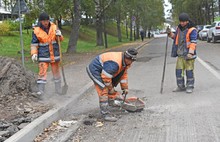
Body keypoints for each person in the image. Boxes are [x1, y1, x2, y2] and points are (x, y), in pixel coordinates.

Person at [86, 48, 138, 122]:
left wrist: (125, 87)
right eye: (131, 61)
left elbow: (123, 75)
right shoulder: (114, 63)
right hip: (95, 70)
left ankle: (110, 102)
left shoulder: (125, 62)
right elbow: (106, 79)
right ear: (128, 58)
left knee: (110, 85)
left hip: (104, 70)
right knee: (103, 89)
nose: (131, 63)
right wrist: (111, 90)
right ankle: (105, 114)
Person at [30, 12, 64, 96]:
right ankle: (40, 91)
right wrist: (34, 53)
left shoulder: (54, 27)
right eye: (44, 21)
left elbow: (59, 40)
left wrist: (59, 35)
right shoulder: (36, 30)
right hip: (43, 55)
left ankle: (58, 89)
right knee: (42, 72)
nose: (46, 22)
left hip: (55, 54)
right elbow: (34, 43)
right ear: (40, 21)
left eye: (47, 20)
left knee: (56, 72)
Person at [167, 12, 197, 93]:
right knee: (179, 72)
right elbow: (175, 37)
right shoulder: (178, 29)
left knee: (189, 71)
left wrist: (190, 53)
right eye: (181, 21)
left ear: (187, 21)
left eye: (184, 21)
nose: (182, 23)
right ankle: (180, 86)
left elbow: (193, 42)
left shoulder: (192, 30)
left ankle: (190, 86)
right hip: (180, 54)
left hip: (188, 55)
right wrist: (170, 34)